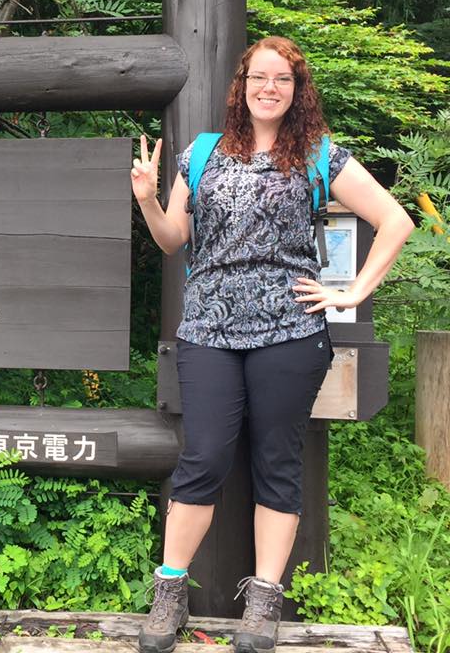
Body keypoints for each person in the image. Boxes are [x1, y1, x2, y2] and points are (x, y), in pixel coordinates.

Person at [130, 36, 414, 653]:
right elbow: (174, 239)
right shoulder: (202, 153)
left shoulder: (319, 156)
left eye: (283, 79)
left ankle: (263, 603)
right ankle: (168, 595)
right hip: (208, 331)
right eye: (260, 77)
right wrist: (149, 199)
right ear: (242, 84)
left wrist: (351, 293)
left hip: (290, 331)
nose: (270, 88)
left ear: (297, 89)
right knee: (202, 458)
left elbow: (397, 220)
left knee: (277, 464)